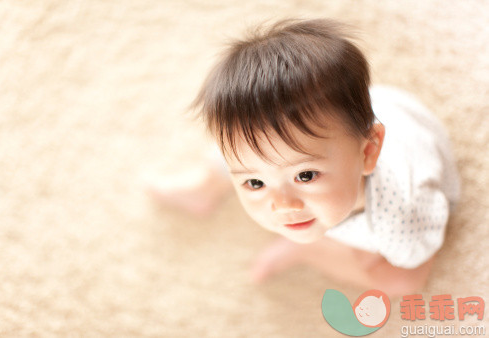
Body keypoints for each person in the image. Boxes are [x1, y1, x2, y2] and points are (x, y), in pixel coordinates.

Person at [148, 18, 460, 297]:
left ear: (368, 152)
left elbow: (418, 253)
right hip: (341, 128)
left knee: (403, 282)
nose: (282, 205)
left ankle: (306, 252)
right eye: (254, 183)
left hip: (399, 120)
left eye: (306, 176)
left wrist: (363, 253)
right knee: (258, 141)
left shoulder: (401, 223)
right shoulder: (304, 157)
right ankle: (207, 183)